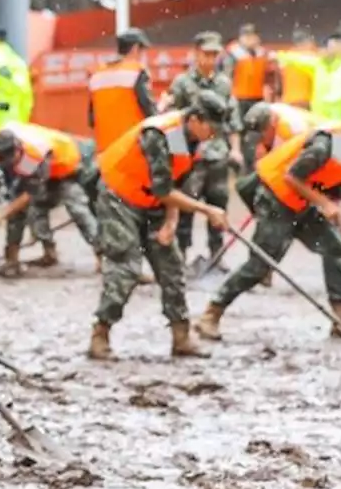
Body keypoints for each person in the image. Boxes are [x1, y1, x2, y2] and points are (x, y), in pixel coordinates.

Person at [195, 108, 341, 340]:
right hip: (276, 200)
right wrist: (325, 204)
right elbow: (292, 176)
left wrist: (337, 213)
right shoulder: (325, 145)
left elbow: (334, 183)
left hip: (303, 203)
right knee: (260, 265)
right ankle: (211, 313)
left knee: (335, 247)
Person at [88, 94, 230, 360]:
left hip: (152, 201)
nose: (213, 134)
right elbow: (164, 188)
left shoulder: (191, 140)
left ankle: (181, 338)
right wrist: (207, 210)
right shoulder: (160, 134)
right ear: (195, 118)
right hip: (119, 196)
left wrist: (170, 223)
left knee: (172, 267)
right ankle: (100, 335)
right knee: (125, 269)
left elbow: (174, 183)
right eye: (210, 126)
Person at [163, 32, 243, 266]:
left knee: (218, 204)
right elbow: (175, 119)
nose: (211, 59)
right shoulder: (182, 83)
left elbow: (232, 118)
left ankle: (217, 257)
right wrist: (179, 157)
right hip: (191, 157)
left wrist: (235, 149)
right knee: (186, 206)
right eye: (206, 54)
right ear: (196, 53)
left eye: (215, 54)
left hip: (217, 154)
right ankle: (181, 256)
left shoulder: (223, 83)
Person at [0, 121, 100, 274]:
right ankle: (20, 258)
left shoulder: (34, 155)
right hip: (43, 168)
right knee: (32, 209)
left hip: (68, 166)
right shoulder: (2, 137)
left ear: (18, 149)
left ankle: (103, 256)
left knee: (77, 209)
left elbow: (27, 196)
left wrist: (1, 215)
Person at [88, 28, 155, 154]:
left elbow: (92, 119)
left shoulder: (97, 74)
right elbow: (149, 109)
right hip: (131, 147)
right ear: (135, 48)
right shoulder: (136, 71)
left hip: (105, 151)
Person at [228, 24, 279, 133]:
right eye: (247, 37)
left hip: (257, 99)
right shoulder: (232, 54)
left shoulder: (264, 55)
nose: (251, 40)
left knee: (256, 130)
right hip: (238, 99)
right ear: (241, 38)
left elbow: (269, 78)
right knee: (237, 129)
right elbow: (226, 77)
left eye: (253, 37)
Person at [275, 29, 318, 110]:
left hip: (288, 99)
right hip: (305, 100)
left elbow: (278, 82)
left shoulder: (286, 57)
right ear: (306, 43)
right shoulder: (311, 57)